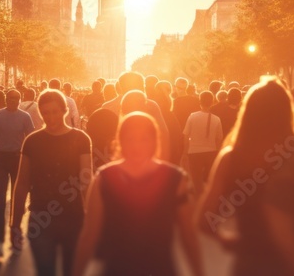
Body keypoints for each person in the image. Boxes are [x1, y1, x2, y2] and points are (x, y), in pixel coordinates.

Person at [198, 77, 294, 276]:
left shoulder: (231, 158)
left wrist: (229, 239)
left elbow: (204, 219)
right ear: (287, 113)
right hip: (291, 266)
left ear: (248, 114)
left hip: (249, 264)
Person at [73, 113, 203, 276]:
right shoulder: (104, 179)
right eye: (130, 139)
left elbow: (189, 234)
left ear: (154, 141)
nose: (136, 145)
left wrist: (199, 271)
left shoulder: (175, 179)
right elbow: (89, 236)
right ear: (120, 141)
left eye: (144, 139)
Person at [11, 90, 92, 275]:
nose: (51, 117)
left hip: (74, 217)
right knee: (45, 271)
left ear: (64, 111)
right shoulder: (32, 141)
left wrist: (92, 219)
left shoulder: (81, 139)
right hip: (41, 220)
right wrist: (15, 224)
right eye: (46, 113)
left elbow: (87, 180)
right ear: (40, 113)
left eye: (55, 112)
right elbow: (22, 183)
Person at [0, 89, 35, 258]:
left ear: (20, 100)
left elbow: (31, 140)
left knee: (17, 199)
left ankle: (15, 233)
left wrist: (33, 163)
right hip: (0, 159)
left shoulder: (25, 117)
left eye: (16, 98)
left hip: (18, 160)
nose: (13, 101)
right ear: (6, 99)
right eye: (10, 98)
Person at [100, 72, 171, 160]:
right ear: (141, 86)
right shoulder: (151, 105)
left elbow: (101, 137)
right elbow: (163, 132)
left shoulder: (107, 106)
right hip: (146, 159)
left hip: (116, 159)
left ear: (120, 87)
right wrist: (162, 160)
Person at [184, 91, 223, 194]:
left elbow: (186, 134)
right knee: (209, 179)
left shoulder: (192, 116)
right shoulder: (217, 119)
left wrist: (185, 151)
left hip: (194, 152)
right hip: (211, 152)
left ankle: (197, 201)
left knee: (196, 180)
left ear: (200, 102)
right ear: (212, 102)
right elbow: (219, 138)